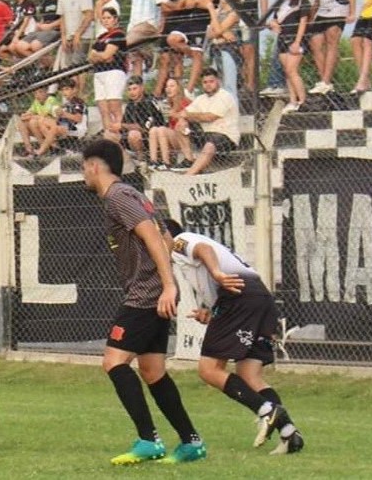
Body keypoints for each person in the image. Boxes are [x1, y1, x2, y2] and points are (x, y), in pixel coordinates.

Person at [81, 139, 206, 465]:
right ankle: (192, 442)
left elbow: (151, 235)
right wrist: (169, 283)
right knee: (152, 370)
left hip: (145, 296)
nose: (84, 175)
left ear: (94, 166)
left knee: (113, 361)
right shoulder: (134, 194)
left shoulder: (117, 196)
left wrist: (167, 286)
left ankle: (148, 439)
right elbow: (166, 236)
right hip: (154, 292)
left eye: (84, 168)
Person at [163, 219, 304, 455]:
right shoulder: (183, 261)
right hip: (257, 296)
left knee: (209, 370)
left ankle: (266, 410)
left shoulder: (179, 241)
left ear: (164, 233)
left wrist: (217, 274)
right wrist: (211, 312)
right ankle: (290, 434)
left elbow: (203, 250)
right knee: (249, 375)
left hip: (238, 296)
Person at [221, 0, 268, 95]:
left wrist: (264, 17)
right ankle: (242, 83)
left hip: (250, 17)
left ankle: (251, 84)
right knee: (239, 51)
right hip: (233, 18)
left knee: (249, 51)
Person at [175, 68, 240, 175]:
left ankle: (189, 175)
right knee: (180, 125)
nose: (208, 85)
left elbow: (210, 117)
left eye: (211, 81)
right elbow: (183, 113)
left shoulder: (225, 96)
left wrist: (189, 115)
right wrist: (183, 119)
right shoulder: (201, 98)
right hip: (206, 135)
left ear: (218, 81)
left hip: (225, 136)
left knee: (210, 145)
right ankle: (189, 160)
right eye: (205, 82)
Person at [268, 0, 312, 113]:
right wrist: (273, 24)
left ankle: (303, 101)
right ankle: (292, 101)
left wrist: (297, 42)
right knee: (287, 71)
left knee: (292, 70)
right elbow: (274, 19)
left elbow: (303, 21)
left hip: (295, 39)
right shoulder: (280, 1)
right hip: (282, 39)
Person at [88, 7, 127, 135]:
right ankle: (108, 135)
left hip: (113, 71)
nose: (106, 21)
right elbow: (91, 57)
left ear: (115, 19)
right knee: (103, 108)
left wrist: (99, 55)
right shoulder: (101, 37)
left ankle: (119, 134)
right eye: (104, 18)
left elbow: (107, 55)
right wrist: (101, 56)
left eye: (109, 18)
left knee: (113, 105)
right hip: (99, 72)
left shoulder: (118, 35)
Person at [148, 77, 193, 171]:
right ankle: (153, 161)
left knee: (161, 130)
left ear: (178, 88)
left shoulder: (185, 102)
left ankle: (166, 163)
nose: (168, 89)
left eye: (172, 86)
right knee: (153, 130)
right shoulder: (168, 103)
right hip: (172, 136)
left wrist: (175, 115)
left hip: (184, 137)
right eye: (167, 86)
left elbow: (189, 119)